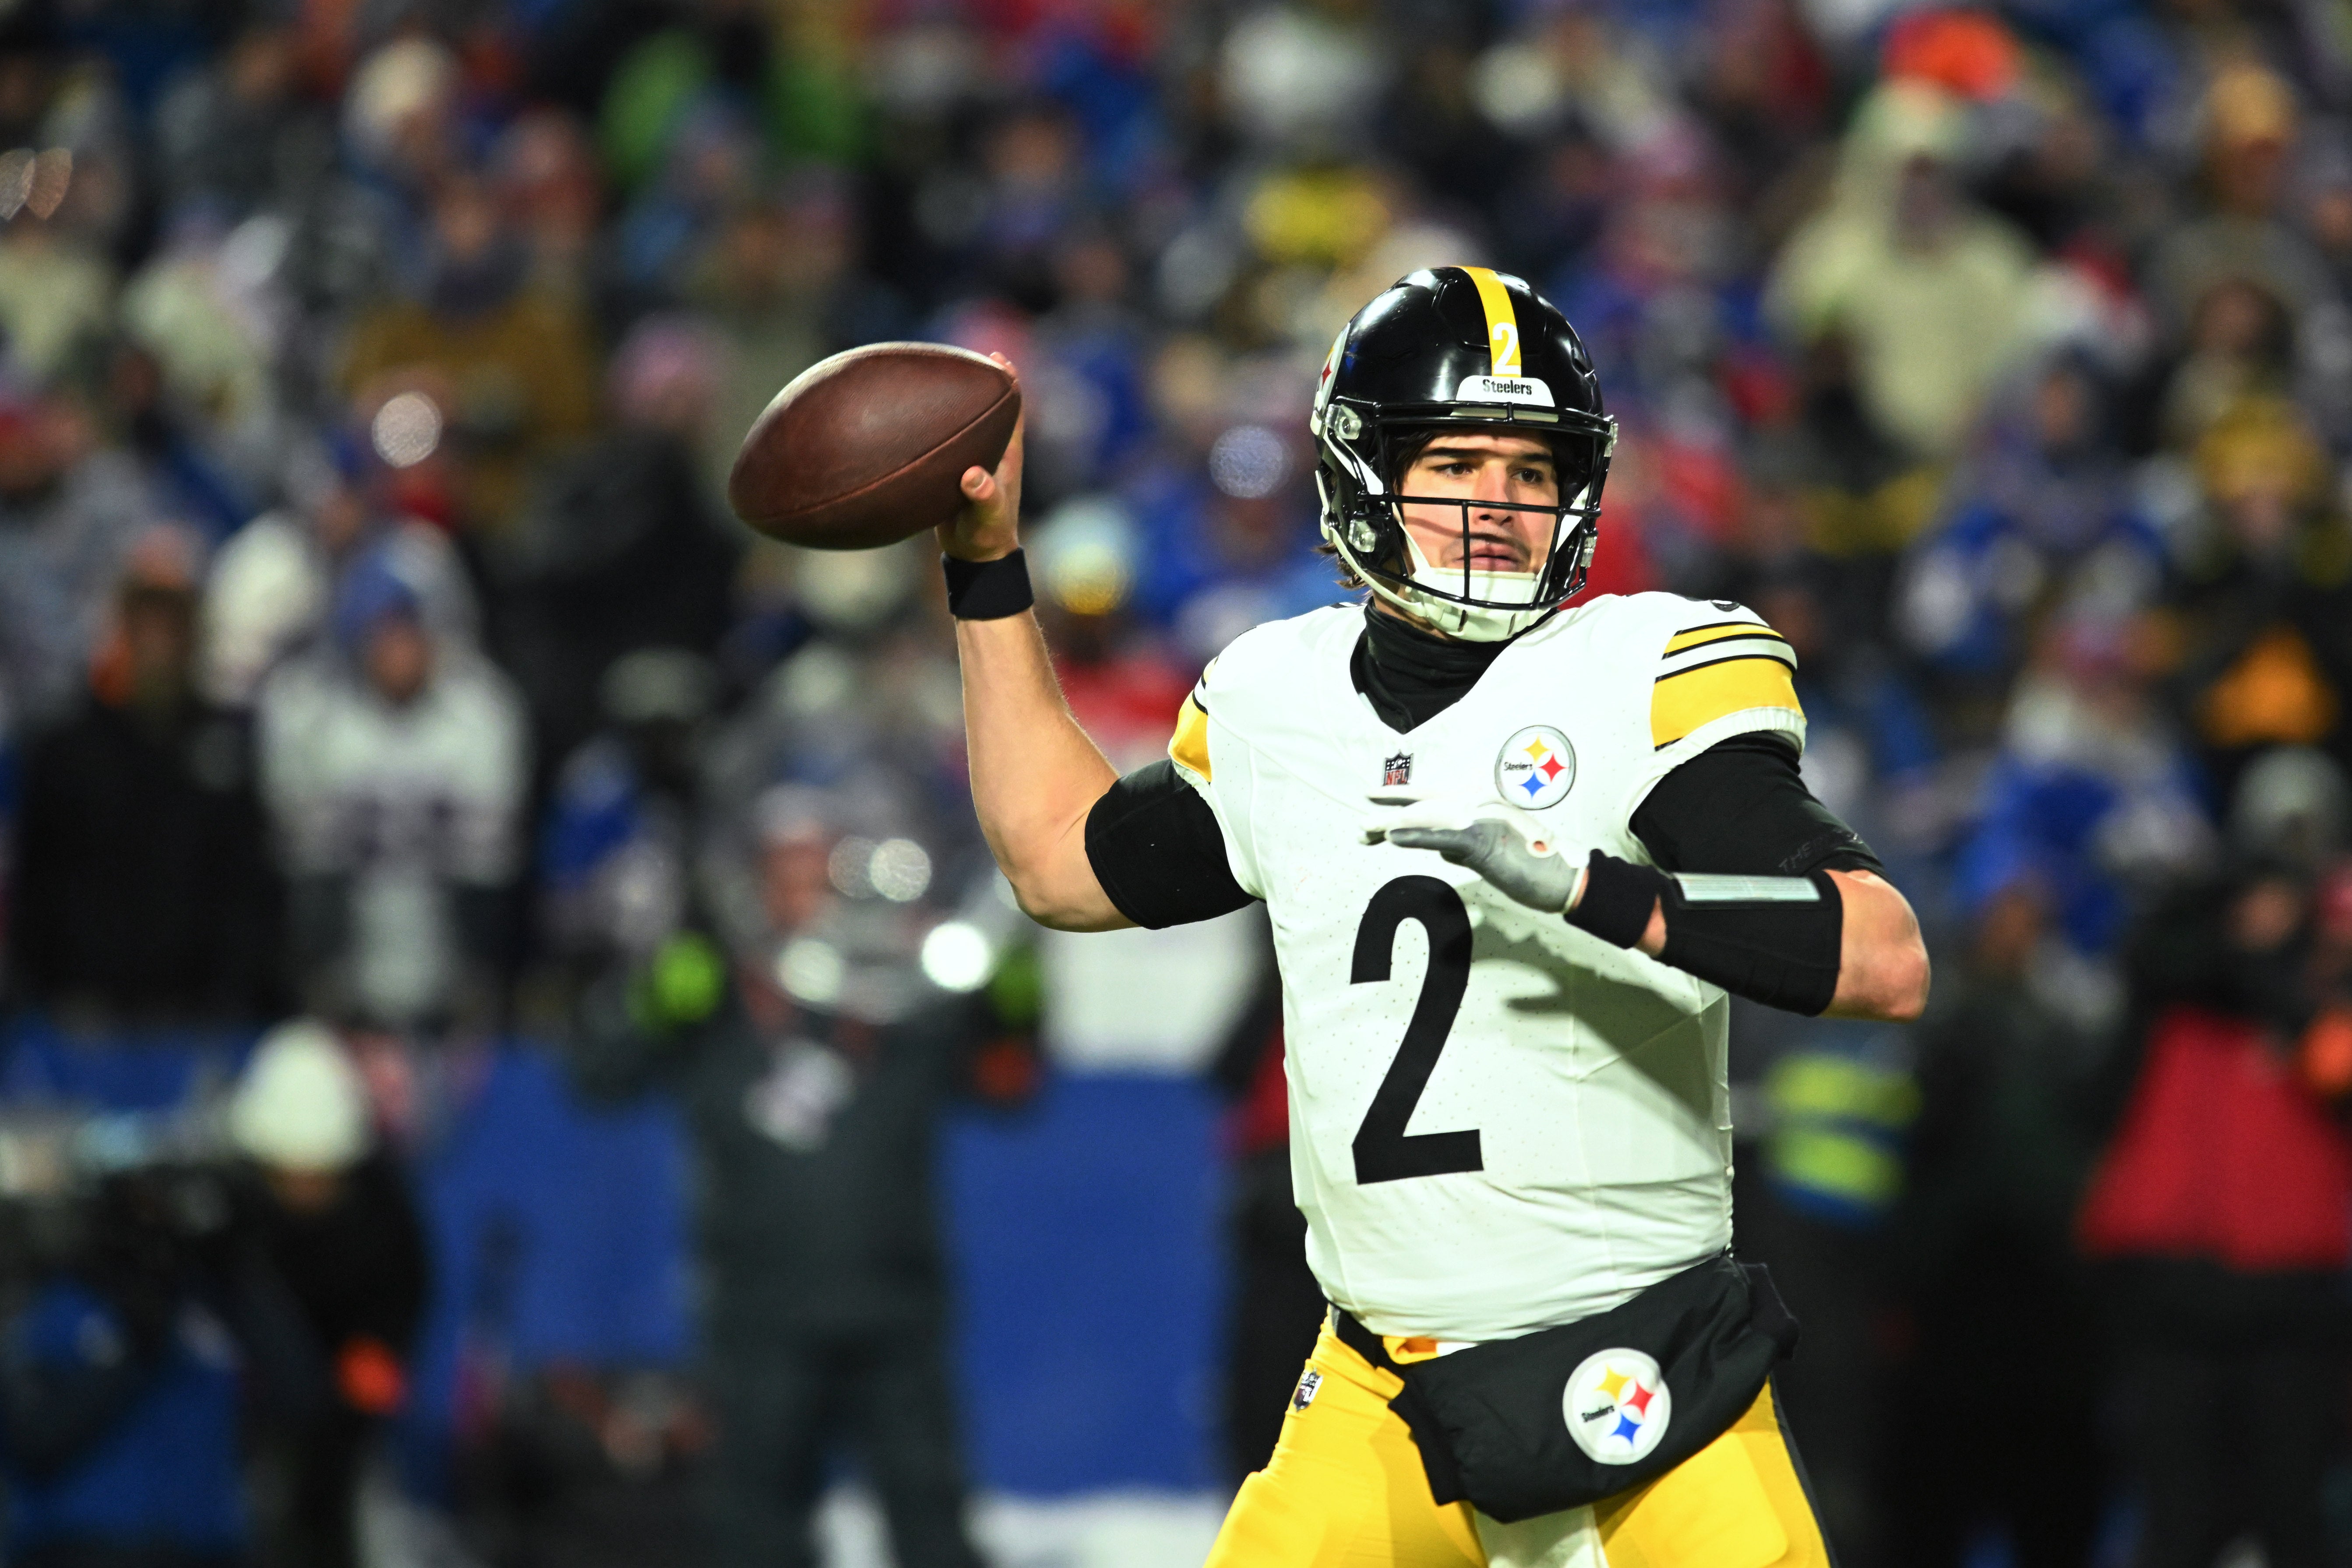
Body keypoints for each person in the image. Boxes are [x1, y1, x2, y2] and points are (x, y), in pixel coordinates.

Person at [940, 266, 1930, 1566]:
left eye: (1532, 471)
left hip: (1640, 1383)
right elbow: (1060, 865)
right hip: (1375, 1392)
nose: (1501, 506)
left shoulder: (1639, 670)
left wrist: (1596, 892)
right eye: (1459, 461)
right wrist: (985, 570)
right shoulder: (1275, 696)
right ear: (1364, 469)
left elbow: (1880, 951)